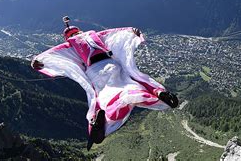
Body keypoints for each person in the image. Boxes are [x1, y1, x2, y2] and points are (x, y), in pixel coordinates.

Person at [31, 16, 178, 150]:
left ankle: (97, 123)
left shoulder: (69, 45)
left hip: (95, 72)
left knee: (101, 99)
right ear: (79, 30)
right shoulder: (95, 35)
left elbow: (51, 55)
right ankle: (158, 94)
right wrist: (132, 32)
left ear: (66, 37)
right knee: (132, 84)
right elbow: (117, 33)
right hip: (112, 64)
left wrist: (37, 62)